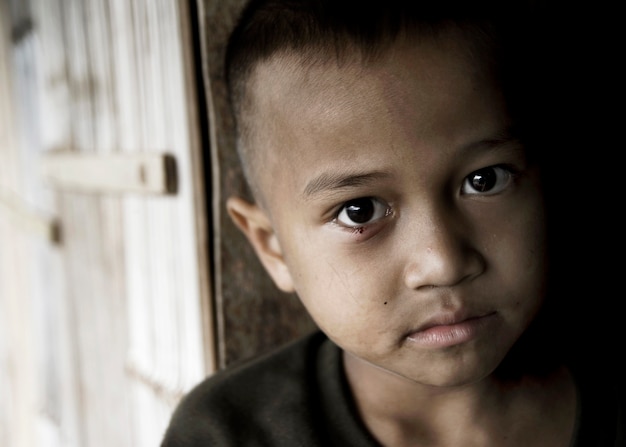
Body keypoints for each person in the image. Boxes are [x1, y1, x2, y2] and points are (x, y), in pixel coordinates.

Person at [162, 0, 625, 445]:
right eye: (358, 210)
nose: (442, 264)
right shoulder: (227, 434)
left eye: (485, 180)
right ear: (272, 247)